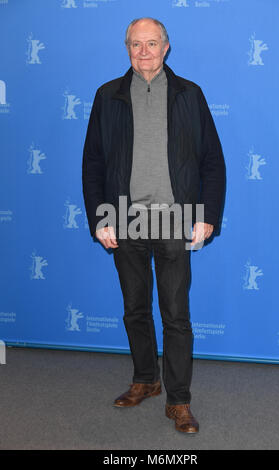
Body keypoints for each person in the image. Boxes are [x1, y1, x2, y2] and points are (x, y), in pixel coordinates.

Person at [82, 17, 226, 434]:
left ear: (167, 47)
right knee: (134, 309)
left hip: (175, 218)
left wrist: (207, 216)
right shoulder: (107, 96)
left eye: (151, 44)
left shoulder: (189, 95)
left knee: (176, 315)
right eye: (135, 45)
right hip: (122, 218)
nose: (143, 52)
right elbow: (92, 164)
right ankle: (146, 379)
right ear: (127, 48)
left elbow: (212, 162)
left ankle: (179, 401)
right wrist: (98, 217)